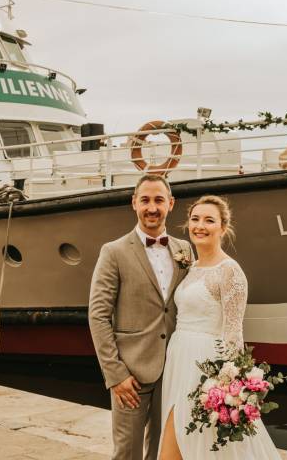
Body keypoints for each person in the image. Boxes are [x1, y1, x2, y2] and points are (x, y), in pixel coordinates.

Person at [158, 195, 281, 459]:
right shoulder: (190, 267)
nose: (200, 226)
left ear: (223, 228)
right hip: (179, 358)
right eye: (195, 219)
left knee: (202, 444)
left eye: (209, 220)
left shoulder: (229, 271)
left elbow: (234, 332)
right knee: (178, 440)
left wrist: (231, 387)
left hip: (206, 365)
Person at [88, 174, 193, 460]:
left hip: (174, 369)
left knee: (166, 451)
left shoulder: (185, 250)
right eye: (145, 200)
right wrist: (116, 374)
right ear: (134, 203)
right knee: (127, 452)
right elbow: (98, 316)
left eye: (159, 200)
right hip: (130, 373)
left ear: (171, 204)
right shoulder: (113, 252)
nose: (152, 207)